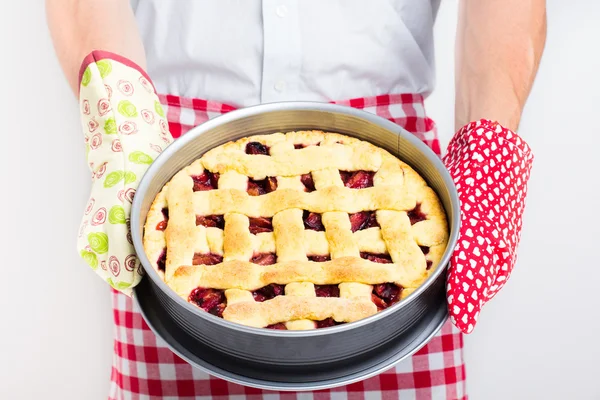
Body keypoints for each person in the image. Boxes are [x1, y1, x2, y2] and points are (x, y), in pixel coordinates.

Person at [46, 1, 546, 398]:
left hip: (389, 185)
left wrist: (488, 152)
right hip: (177, 178)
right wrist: (124, 130)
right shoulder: (158, 175)